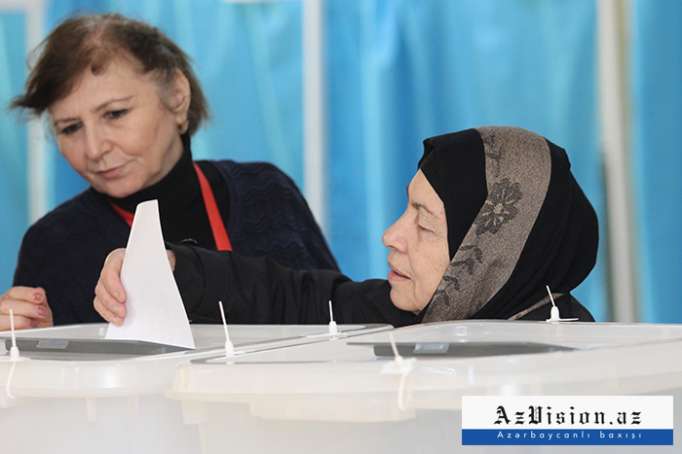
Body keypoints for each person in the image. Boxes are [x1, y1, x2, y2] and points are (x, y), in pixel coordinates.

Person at [0, 13, 337, 331]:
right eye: (70, 128)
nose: (93, 148)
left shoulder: (266, 191)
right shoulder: (52, 244)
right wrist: (35, 349)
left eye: (115, 114)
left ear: (177, 96)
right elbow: (50, 384)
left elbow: (340, 324)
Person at [95, 127, 599, 326]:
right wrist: (173, 268)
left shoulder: (573, 386)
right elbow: (294, 297)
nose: (390, 235)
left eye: (423, 224)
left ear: (492, 251)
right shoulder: (427, 315)